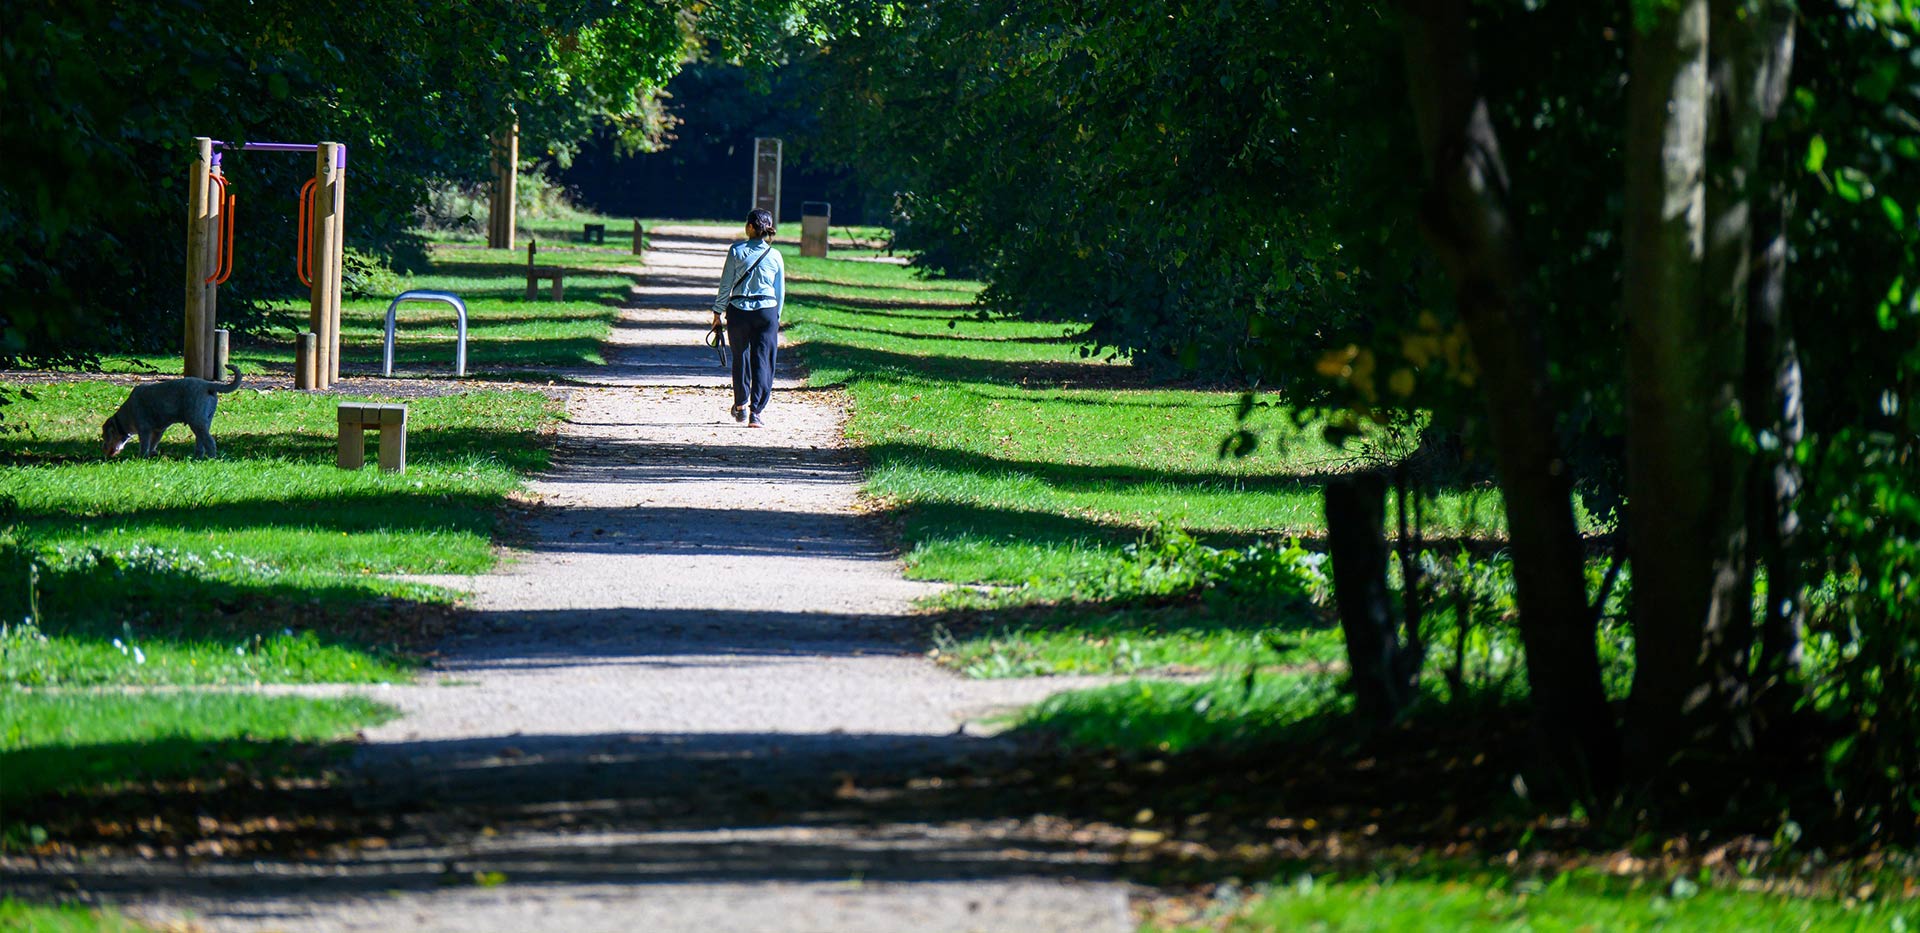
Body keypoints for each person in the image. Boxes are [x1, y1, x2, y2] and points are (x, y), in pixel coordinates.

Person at [712, 209, 786, 427]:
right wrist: (776, 317)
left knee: (741, 358)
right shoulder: (775, 255)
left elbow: (726, 285)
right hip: (767, 312)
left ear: (752, 227)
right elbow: (779, 291)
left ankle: (741, 406)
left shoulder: (736, 251)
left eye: (747, 223)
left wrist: (717, 311)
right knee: (763, 360)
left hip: (739, 311)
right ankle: (756, 412)